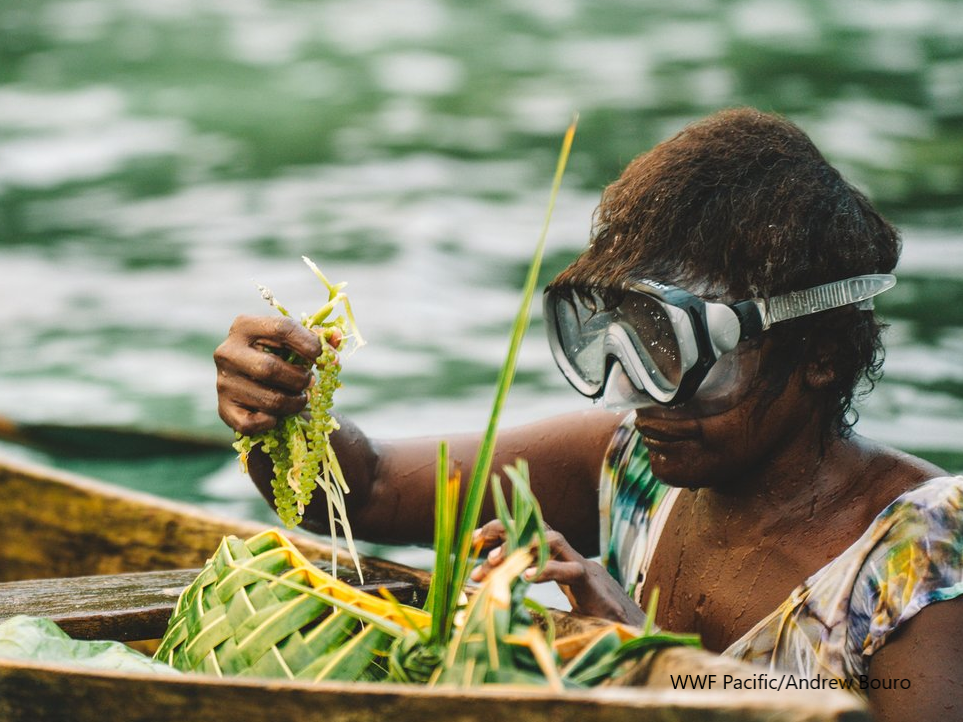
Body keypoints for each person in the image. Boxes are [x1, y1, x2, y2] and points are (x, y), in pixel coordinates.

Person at [213, 108, 963, 720]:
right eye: (625, 344)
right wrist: (282, 409)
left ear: (820, 353)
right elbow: (364, 489)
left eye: (686, 355)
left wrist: (647, 660)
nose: (640, 390)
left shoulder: (919, 557)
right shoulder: (633, 467)